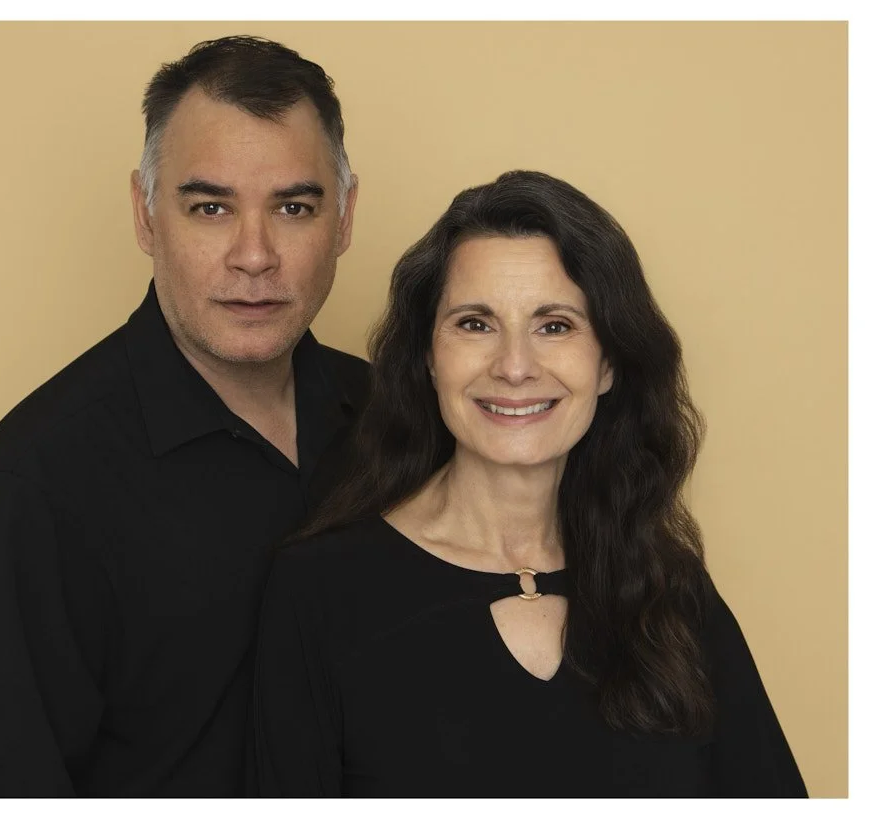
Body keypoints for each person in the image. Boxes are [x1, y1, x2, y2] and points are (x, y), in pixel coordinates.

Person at [0, 35, 366, 797]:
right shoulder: (34, 487)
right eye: (210, 206)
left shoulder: (398, 423)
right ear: (146, 214)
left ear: (345, 217)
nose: (255, 255)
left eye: (293, 206)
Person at [252, 170, 807, 797]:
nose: (514, 367)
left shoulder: (671, 591)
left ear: (608, 363)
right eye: (475, 324)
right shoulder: (320, 592)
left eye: (555, 326)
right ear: (429, 358)